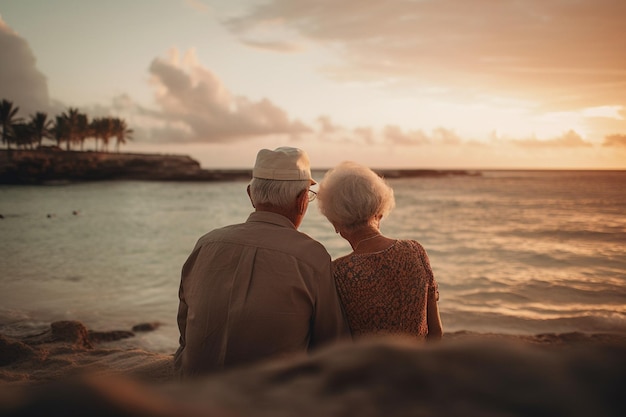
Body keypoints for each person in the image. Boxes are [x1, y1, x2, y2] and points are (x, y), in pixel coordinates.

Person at [174, 147, 349, 377]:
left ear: (250, 194)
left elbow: (185, 331)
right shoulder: (312, 257)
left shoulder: (205, 244)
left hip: (193, 397)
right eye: (309, 195)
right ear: (301, 201)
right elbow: (332, 346)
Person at [316, 161, 443, 341]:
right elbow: (436, 332)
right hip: (418, 365)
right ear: (380, 212)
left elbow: (335, 342)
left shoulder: (338, 273)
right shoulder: (415, 251)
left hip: (369, 368)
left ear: (335, 223)